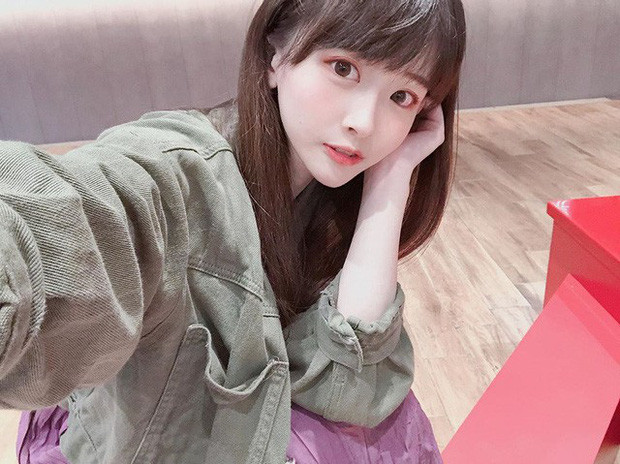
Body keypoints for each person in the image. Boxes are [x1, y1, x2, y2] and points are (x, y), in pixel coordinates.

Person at [2, 0, 466, 462]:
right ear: (275, 56)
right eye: (343, 68)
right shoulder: (180, 174)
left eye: (401, 97)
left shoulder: (331, 200)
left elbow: (347, 382)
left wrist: (391, 179)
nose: (363, 123)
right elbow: (70, 226)